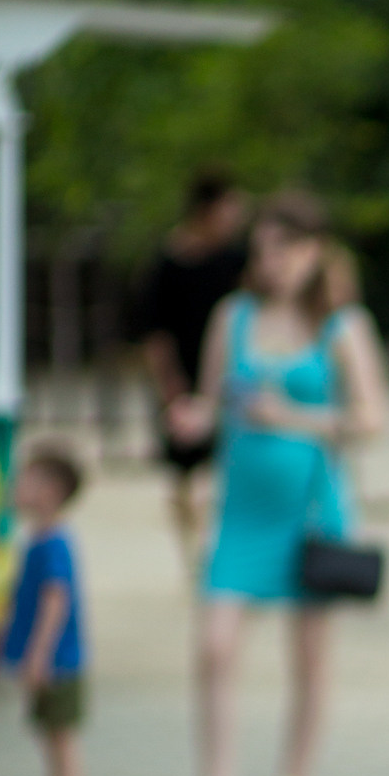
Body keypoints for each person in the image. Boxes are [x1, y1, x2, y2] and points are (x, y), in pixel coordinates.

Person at [150, 189, 389, 776]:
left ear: (316, 251)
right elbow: (210, 400)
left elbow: (373, 419)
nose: (274, 261)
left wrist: (292, 417)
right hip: (240, 513)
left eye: (287, 247)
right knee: (215, 646)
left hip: (313, 514)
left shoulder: (343, 326)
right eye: (264, 249)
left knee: (309, 657)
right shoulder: (235, 316)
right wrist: (192, 419)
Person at [132, 170, 249, 574]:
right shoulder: (167, 263)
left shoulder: (238, 260)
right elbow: (154, 332)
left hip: (228, 385)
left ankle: (220, 552)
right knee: (184, 479)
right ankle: (195, 559)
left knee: (222, 474)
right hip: (182, 384)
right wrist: (169, 386)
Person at [1, 445, 89, 776]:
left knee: (60, 736)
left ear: (50, 491)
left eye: (26, 478)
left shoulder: (53, 543)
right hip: (51, 661)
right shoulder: (37, 540)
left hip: (59, 663)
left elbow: (56, 600)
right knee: (50, 734)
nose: (15, 485)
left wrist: (39, 654)